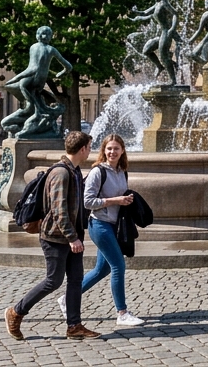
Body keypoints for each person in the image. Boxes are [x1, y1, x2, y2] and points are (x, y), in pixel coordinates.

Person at [5, 131, 101, 340]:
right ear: (83, 149)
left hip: (72, 235)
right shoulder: (61, 173)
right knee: (53, 281)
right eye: (89, 147)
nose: (90, 151)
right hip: (55, 237)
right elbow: (59, 210)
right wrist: (72, 238)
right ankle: (16, 312)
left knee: (76, 280)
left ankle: (74, 326)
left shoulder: (73, 171)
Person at [73, 134, 144, 327]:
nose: (112, 152)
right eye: (109, 148)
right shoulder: (98, 172)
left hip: (114, 225)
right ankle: (122, 313)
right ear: (104, 150)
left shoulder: (122, 171)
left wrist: (127, 200)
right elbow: (88, 202)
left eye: (116, 148)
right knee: (118, 266)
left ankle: (68, 299)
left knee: (101, 269)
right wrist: (115, 201)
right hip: (100, 225)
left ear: (122, 151)